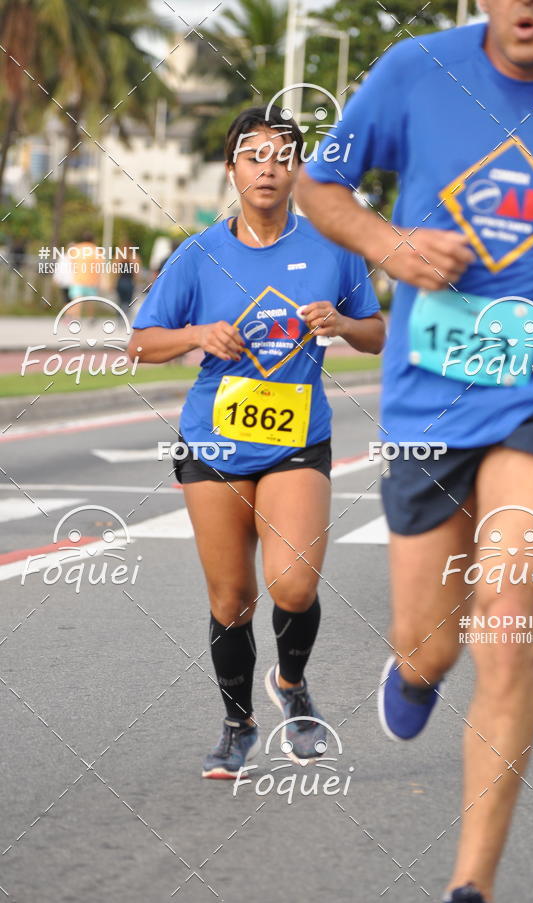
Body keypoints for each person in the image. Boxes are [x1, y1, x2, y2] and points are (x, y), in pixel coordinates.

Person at [296, 1, 533, 901]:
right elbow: (319, 188)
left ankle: (471, 886)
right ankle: (420, 667)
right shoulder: (415, 71)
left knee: (508, 623)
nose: (528, 5)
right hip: (429, 396)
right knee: (429, 642)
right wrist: (393, 245)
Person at [128, 105, 385, 780]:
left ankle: (292, 684)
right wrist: (196, 335)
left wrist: (343, 323)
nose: (267, 168)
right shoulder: (200, 253)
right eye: (253, 155)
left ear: (297, 169)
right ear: (231, 169)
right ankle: (237, 724)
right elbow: (140, 342)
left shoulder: (333, 250)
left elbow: (378, 330)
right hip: (213, 442)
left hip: (297, 437)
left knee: (293, 584)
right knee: (232, 599)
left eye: (281, 156)